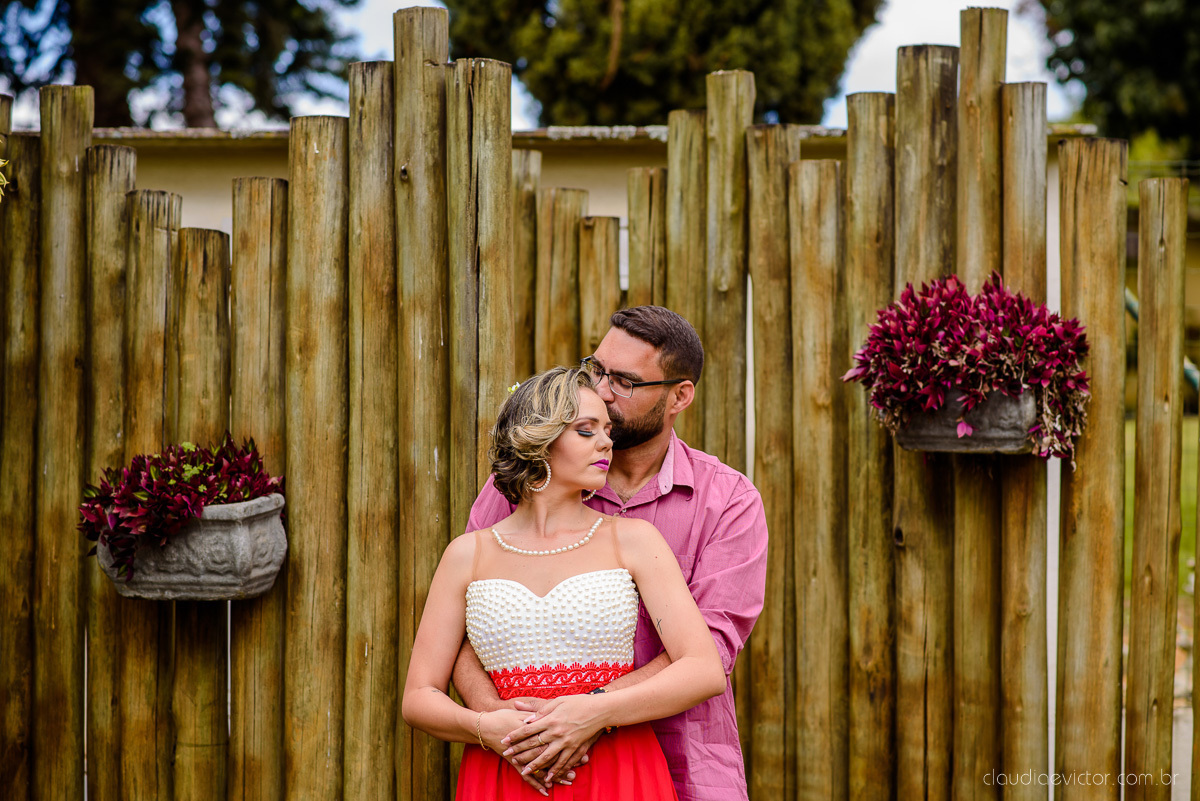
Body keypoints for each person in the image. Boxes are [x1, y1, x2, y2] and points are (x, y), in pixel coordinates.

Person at [457, 306, 768, 801]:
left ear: (679, 396)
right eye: (596, 369)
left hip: (686, 760)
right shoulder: (526, 485)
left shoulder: (728, 501)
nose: (601, 390)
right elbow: (465, 626)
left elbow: (709, 651)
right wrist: (503, 722)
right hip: (530, 765)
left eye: (624, 382)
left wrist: (588, 711)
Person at [402, 366, 727, 799]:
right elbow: (418, 696)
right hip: (506, 767)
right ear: (537, 438)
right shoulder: (467, 554)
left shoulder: (633, 540)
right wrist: (484, 726)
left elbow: (704, 670)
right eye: (586, 430)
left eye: (607, 430)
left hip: (617, 767)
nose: (607, 442)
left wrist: (595, 711)